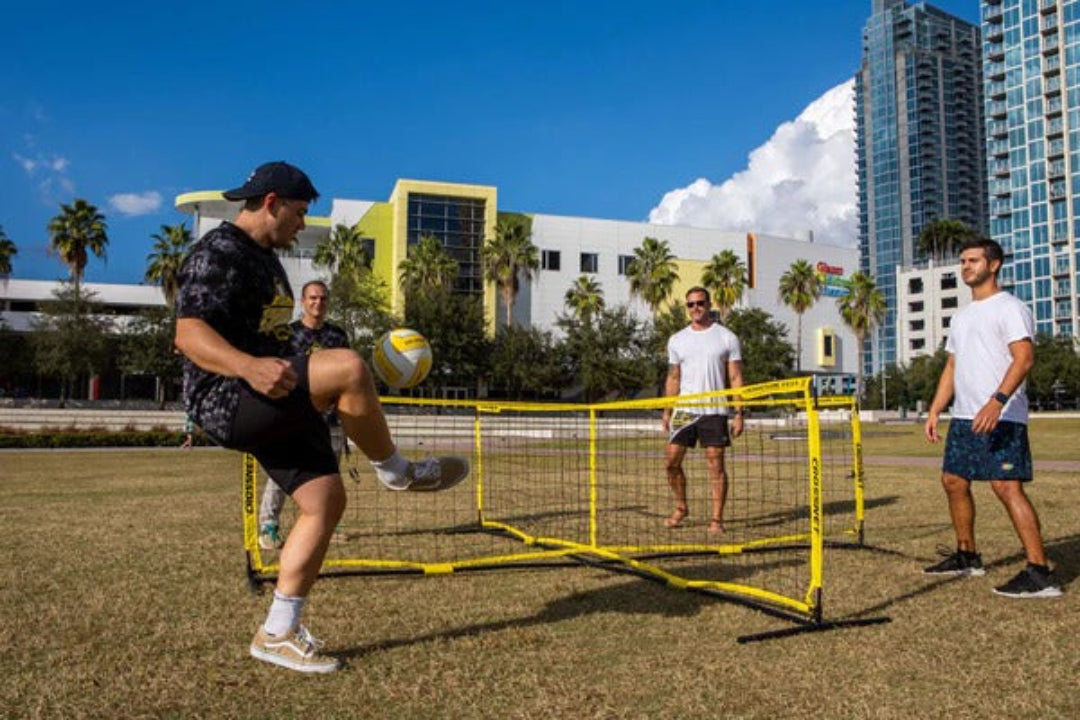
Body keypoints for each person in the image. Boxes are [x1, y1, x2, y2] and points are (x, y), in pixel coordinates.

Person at [174, 161, 470, 673]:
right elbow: (188, 333)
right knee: (350, 367)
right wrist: (250, 367)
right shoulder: (218, 251)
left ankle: (278, 632)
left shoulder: (268, 261)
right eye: (299, 212)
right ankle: (398, 471)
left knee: (326, 500)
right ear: (271, 203)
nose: (302, 224)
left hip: (272, 394)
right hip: (225, 395)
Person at [923, 238, 1062, 599]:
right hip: (964, 416)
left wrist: (997, 402)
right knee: (953, 481)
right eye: (963, 261)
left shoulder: (1011, 308)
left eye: (973, 260)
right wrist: (936, 409)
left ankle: (1040, 573)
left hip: (1002, 416)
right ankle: (967, 556)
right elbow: (952, 366)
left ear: (994, 264)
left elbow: (1024, 359)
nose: (965, 267)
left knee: (1006, 486)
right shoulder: (961, 316)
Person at [258, 280, 350, 551]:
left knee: (328, 474)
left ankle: (326, 524)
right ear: (303, 301)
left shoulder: (337, 336)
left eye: (322, 298)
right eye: (312, 298)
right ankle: (268, 526)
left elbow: (346, 374)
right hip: (293, 416)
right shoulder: (287, 335)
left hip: (329, 420)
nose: (318, 303)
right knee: (283, 472)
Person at [661, 286, 744, 535]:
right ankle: (681, 507)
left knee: (715, 464)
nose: (695, 308)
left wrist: (739, 412)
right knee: (671, 462)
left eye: (699, 303)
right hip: (685, 411)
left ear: (709, 304)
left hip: (714, 410)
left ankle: (716, 519)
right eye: (691, 304)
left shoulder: (727, 337)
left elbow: (736, 376)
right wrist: (667, 411)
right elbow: (674, 377)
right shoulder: (677, 339)